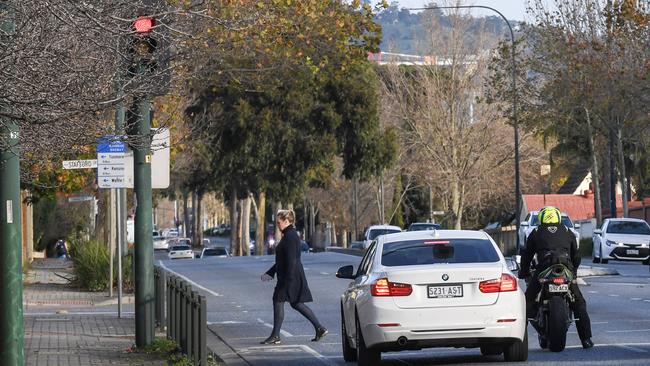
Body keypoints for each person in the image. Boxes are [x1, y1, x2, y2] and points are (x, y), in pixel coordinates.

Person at [519, 206, 594, 349]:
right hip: (565, 268)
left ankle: (519, 340)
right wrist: (574, 272)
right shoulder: (568, 231)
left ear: (541, 218)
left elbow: (526, 256)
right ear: (558, 218)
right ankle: (586, 340)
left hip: (544, 268)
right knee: (578, 303)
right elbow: (576, 256)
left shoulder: (535, 232)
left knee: (526, 302)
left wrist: (523, 273)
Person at [260, 209, 328, 345]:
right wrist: (271, 272)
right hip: (291, 276)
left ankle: (275, 336)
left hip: (290, 277)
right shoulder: (289, 234)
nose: (277, 225)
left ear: (287, 221)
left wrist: (288, 281)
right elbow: (283, 260)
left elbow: (292, 260)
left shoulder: (290, 236)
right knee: (296, 303)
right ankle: (319, 328)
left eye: (279, 222)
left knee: (278, 300)